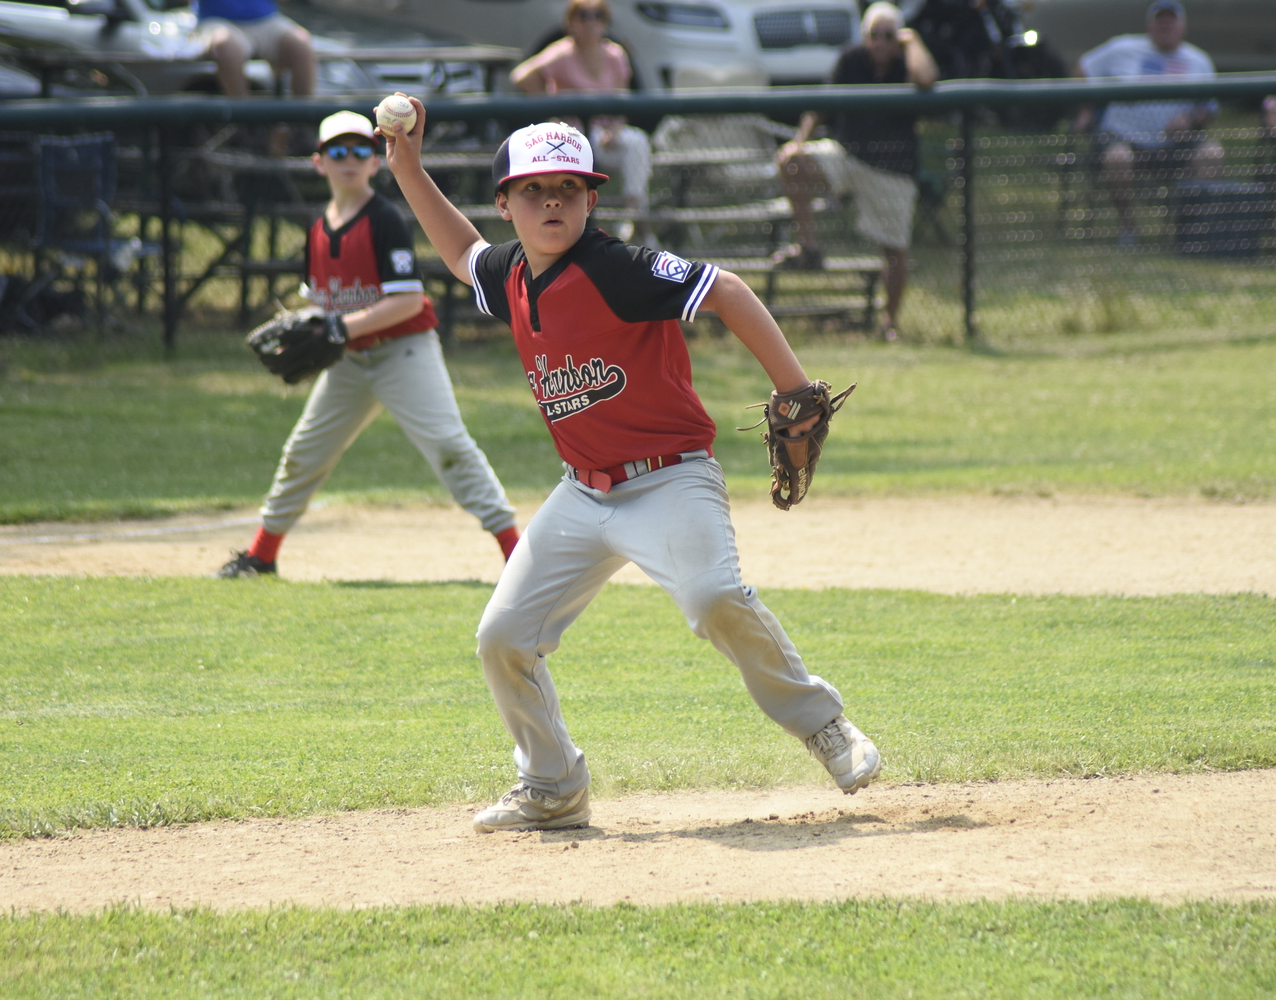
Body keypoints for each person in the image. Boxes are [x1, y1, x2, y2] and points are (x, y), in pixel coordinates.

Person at [380, 96, 882, 833]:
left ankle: (823, 725)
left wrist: (792, 388)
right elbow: (460, 256)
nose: (552, 201)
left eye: (569, 189)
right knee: (502, 637)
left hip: (670, 476)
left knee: (714, 598)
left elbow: (730, 292)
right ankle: (552, 786)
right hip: (582, 495)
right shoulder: (514, 275)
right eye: (533, 191)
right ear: (506, 206)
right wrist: (408, 168)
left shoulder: (615, 267)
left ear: (591, 198)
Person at [216, 111, 521, 578]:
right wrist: (314, 325)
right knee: (304, 451)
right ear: (319, 163)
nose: (349, 160)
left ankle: (516, 554)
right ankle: (262, 555)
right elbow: (320, 303)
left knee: (448, 446)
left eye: (361, 150)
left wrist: (337, 328)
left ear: (375, 163)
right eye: (337, 151)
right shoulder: (317, 230)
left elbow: (407, 301)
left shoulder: (385, 219)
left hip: (405, 351)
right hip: (350, 360)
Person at [774, 1, 937, 342]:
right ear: (864, 37)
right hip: (846, 156)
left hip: (891, 169)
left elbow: (926, 79)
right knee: (790, 161)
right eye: (873, 35)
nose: (880, 42)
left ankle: (888, 323)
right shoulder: (851, 60)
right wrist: (798, 142)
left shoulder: (907, 63)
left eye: (889, 36)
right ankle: (809, 247)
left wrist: (912, 41)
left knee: (894, 252)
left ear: (900, 38)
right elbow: (820, 106)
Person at [1073, 0, 1223, 247]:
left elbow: (1209, 108)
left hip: (1174, 146)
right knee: (1117, 158)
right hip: (1124, 138)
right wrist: (1086, 110)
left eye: (1171, 19)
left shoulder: (1199, 61)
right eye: (1160, 19)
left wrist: (1191, 120)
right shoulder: (1122, 48)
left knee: (1212, 153)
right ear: (1149, 25)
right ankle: (1128, 227)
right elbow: (1083, 68)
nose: (1166, 24)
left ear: (1183, 26)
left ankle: (1188, 229)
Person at [510, 0, 657, 247]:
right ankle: (629, 231)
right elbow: (521, 76)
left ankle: (634, 217)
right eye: (583, 16)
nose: (591, 23)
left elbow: (622, 102)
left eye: (597, 16)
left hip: (607, 137)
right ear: (571, 22)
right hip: (572, 141)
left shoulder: (615, 54)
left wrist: (615, 129)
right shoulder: (561, 52)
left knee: (637, 142)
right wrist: (551, 109)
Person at [194, 0, 316, 152]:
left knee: (301, 44)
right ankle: (245, 127)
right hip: (217, 21)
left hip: (266, 20)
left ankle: (301, 129)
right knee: (225, 45)